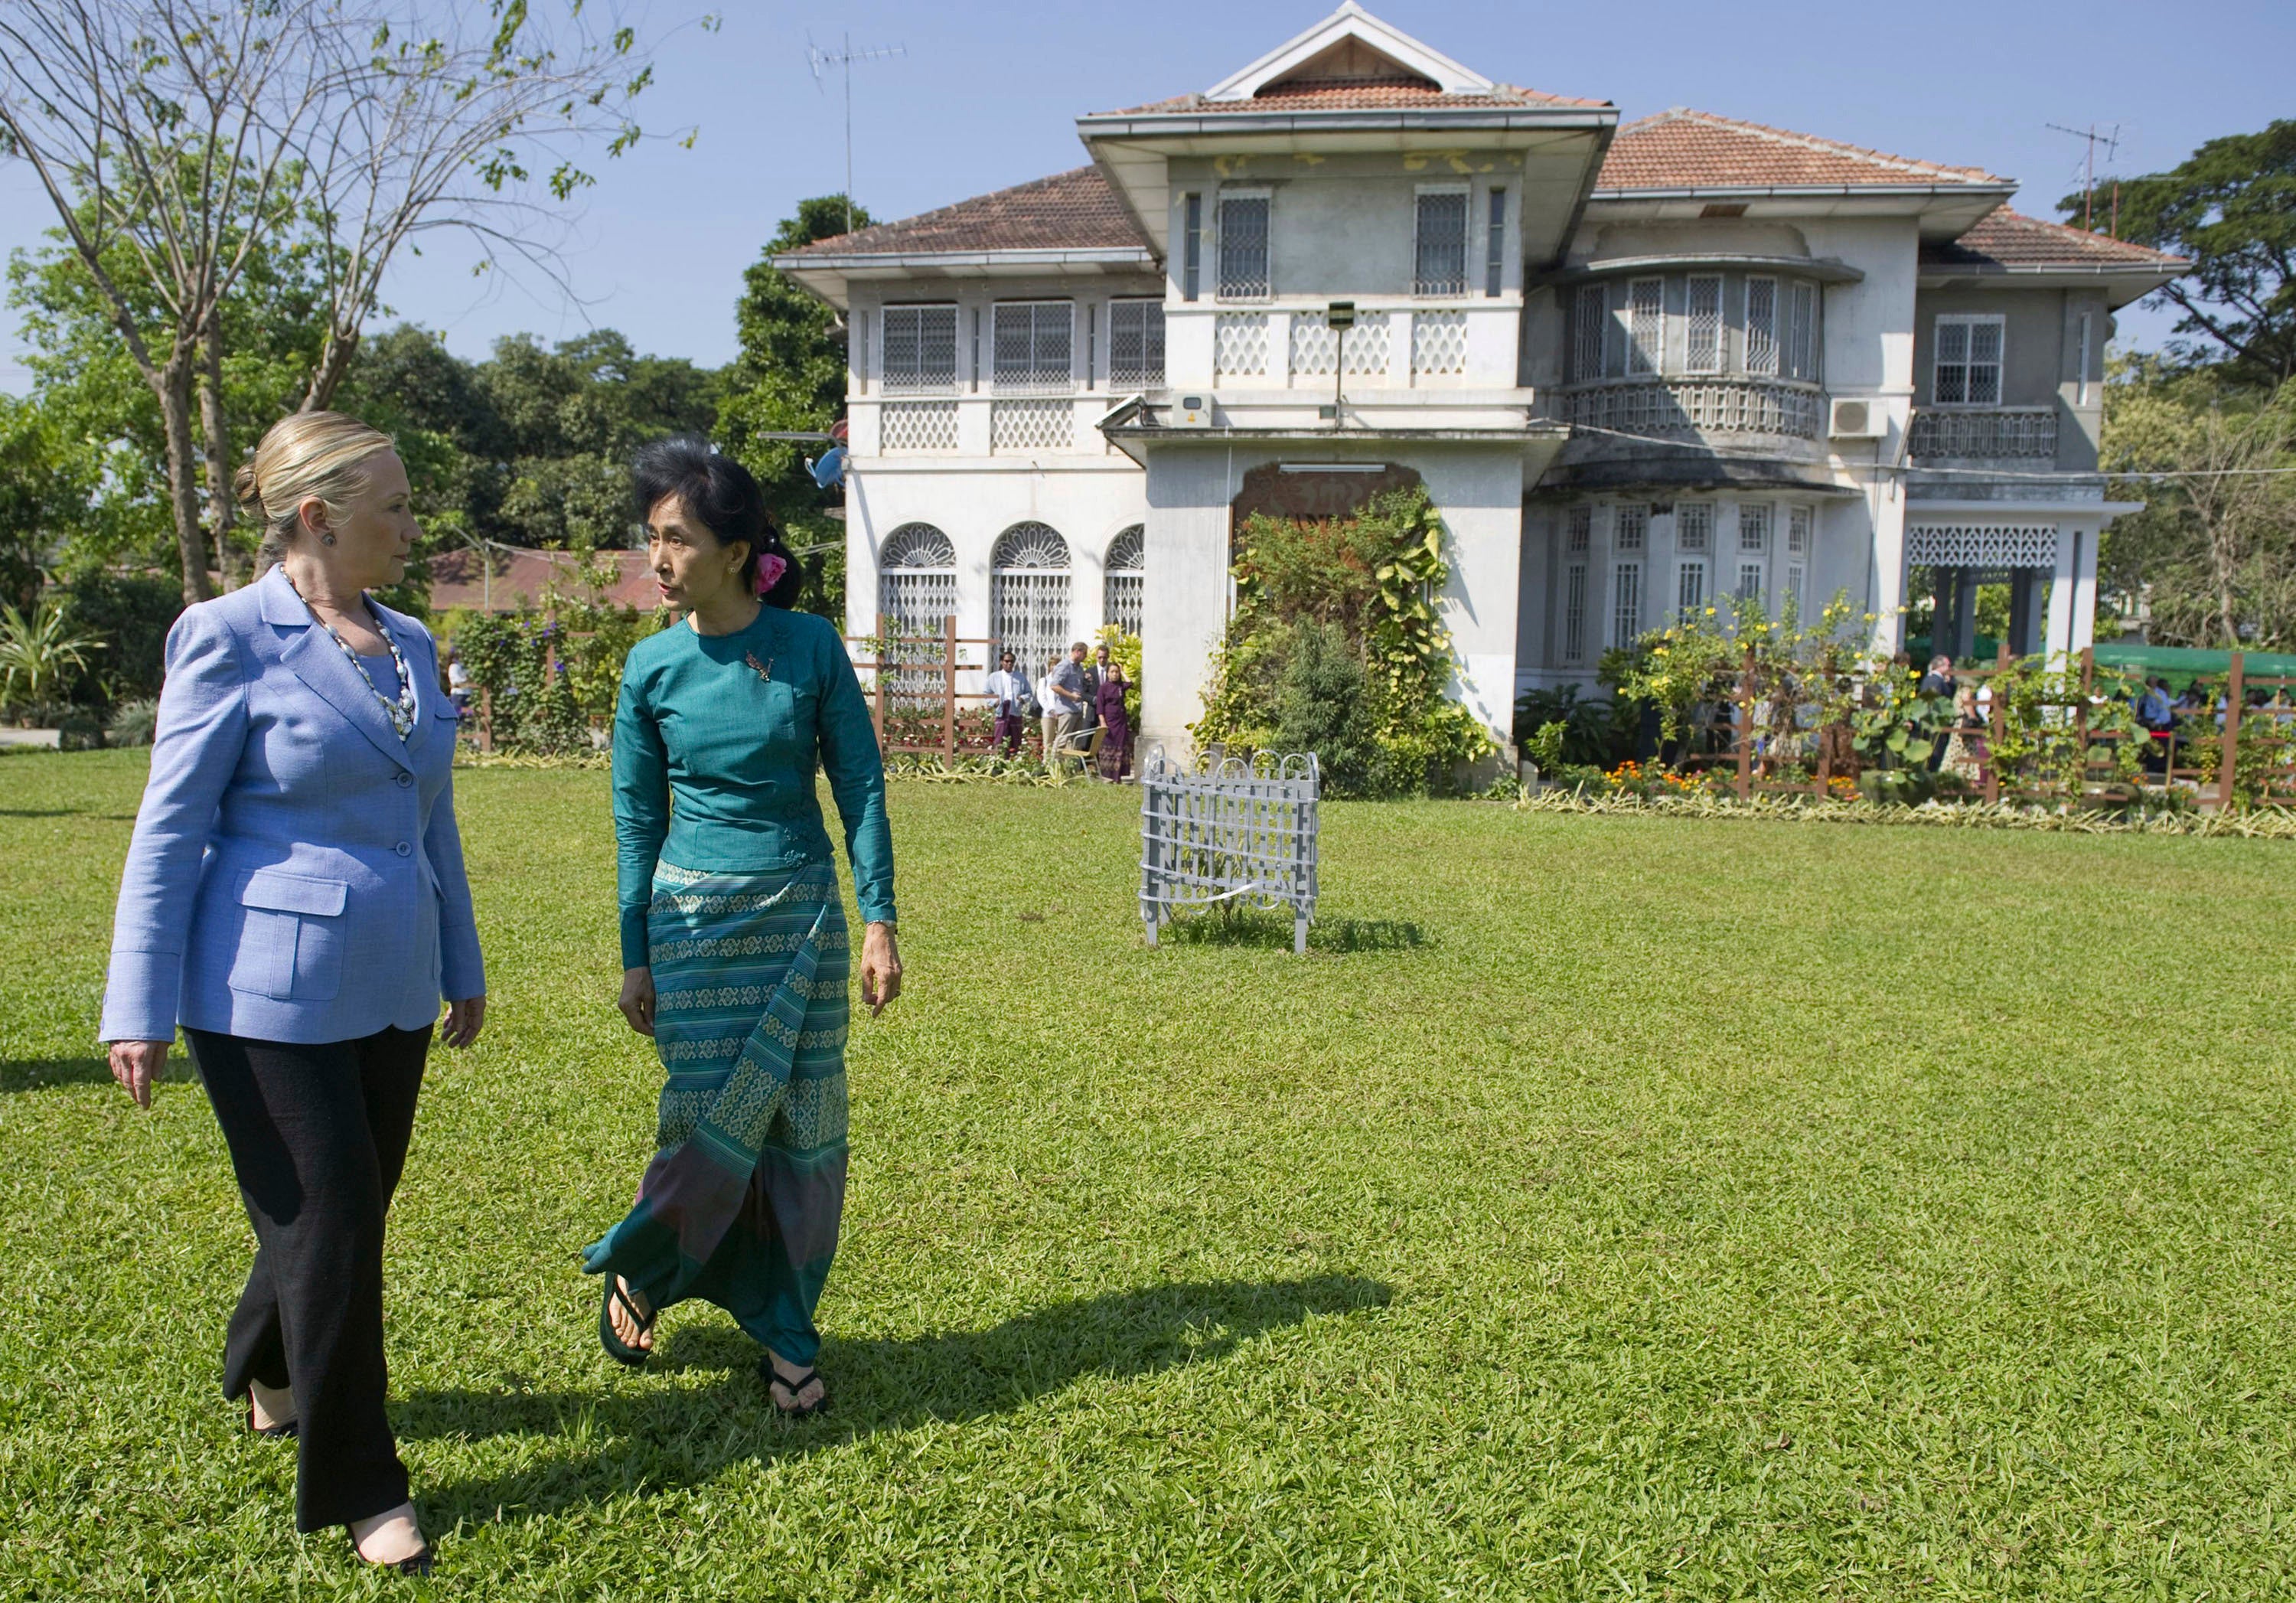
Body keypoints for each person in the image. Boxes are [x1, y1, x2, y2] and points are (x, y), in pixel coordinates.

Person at [99, 411, 485, 1576]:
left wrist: (460, 958)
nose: (414, 526)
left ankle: (266, 1366)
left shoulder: (412, 642)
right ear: (318, 515)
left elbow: (435, 819)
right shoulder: (227, 636)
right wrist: (137, 999)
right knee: (333, 1225)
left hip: (394, 980)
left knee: (340, 1212)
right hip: (260, 992)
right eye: (395, 508)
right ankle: (364, 1481)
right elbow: (171, 829)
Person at [589, 437, 901, 1419]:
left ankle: (787, 1334)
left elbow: (859, 785)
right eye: (653, 539)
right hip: (693, 930)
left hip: (799, 923)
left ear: (734, 549)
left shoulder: (808, 648)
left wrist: (879, 918)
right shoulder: (650, 668)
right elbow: (637, 820)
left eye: (676, 539)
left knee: (805, 1135)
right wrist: (636, 954)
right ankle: (647, 1272)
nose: (659, 559)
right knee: (701, 1127)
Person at [984, 649, 1030, 758]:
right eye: (1007, 661)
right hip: (1002, 709)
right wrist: (994, 702)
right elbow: (986, 693)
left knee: (1015, 738)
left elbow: (1029, 693)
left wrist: (1022, 699)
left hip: (1015, 709)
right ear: (1001, 662)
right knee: (1000, 737)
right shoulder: (994, 677)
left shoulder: (1020, 677)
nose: (1009, 663)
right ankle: (998, 760)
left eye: (1012, 661)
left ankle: (1014, 760)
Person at [1096, 656, 1133, 782]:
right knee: (1109, 746)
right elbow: (1100, 707)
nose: (1115, 674)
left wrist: (1122, 671)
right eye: (1112, 672)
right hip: (1109, 722)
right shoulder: (1103, 688)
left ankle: (1118, 777)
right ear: (1108, 673)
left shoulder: (1120, 686)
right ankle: (1108, 776)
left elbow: (1130, 682)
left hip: (1121, 722)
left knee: (1120, 747)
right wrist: (1103, 723)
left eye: (1116, 672)